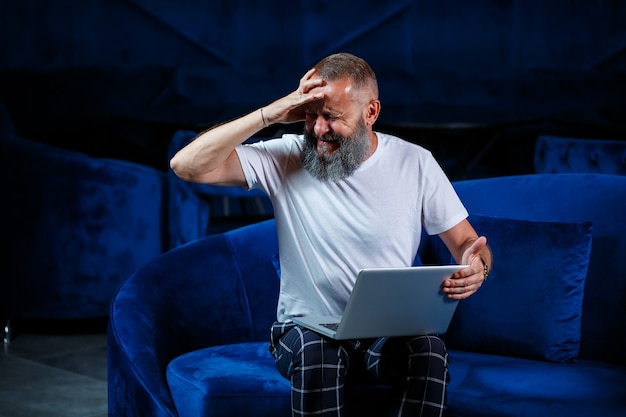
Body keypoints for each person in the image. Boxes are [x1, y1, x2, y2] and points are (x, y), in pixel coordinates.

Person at [170, 52, 492, 417]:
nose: (318, 129)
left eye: (332, 117)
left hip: (384, 334)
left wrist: (475, 268)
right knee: (318, 354)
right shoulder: (287, 156)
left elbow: (469, 244)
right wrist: (270, 114)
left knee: (429, 350)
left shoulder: (415, 162)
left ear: (370, 112)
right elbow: (186, 166)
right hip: (303, 332)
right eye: (311, 114)